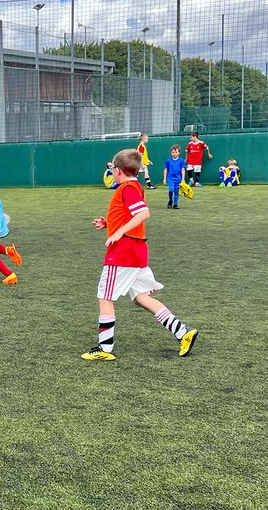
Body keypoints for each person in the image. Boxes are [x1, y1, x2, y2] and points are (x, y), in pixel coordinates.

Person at [82, 148, 198, 360]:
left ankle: (104, 349)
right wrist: (110, 223)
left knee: (105, 296)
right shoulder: (134, 186)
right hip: (135, 252)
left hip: (123, 252)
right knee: (140, 297)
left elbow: (143, 213)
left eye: (112, 169)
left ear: (117, 170)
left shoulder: (127, 188)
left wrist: (118, 232)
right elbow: (130, 215)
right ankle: (183, 332)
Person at [163, 144, 187, 209]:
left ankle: (175, 204)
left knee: (176, 191)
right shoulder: (168, 161)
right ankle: (170, 201)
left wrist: (183, 179)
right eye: (173, 152)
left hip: (178, 179)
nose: (174, 153)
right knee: (171, 189)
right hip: (170, 178)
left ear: (179, 152)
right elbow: (165, 169)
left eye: (176, 152)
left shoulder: (181, 161)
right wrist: (164, 179)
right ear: (171, 152)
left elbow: (183, 170)